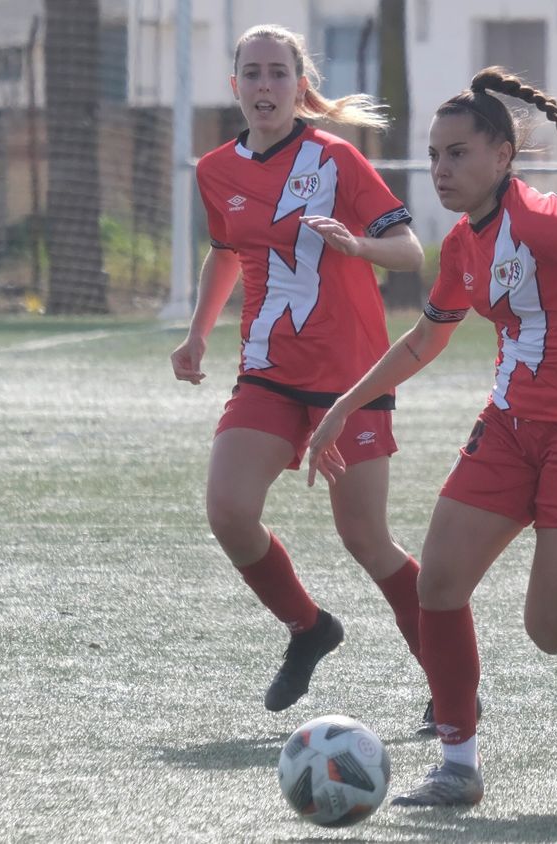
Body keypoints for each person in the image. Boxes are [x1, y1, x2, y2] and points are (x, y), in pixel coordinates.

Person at [303, 67, 557, 810]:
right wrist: (348, 404)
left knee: (553, 630)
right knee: (439, 582)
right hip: (509, 429)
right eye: (433, 155)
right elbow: (425, 338)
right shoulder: (461, 244)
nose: (441, 169)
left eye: (457, 153)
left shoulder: (541, 220)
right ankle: (459, 763)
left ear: (503, 156)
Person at [168, 24, 428, 715]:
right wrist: (197, 335)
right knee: (228, 510)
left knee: (366, 540)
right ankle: (309, 629)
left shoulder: (336, 159)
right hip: (267, 370)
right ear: (234, 87)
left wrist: (361, 247)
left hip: (350, 378)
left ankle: (448, 676)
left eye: (277, 73)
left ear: (300, 86)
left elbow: (409, 251)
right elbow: (227, 252)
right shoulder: (215, 169)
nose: (263, 86)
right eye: (251, 73)